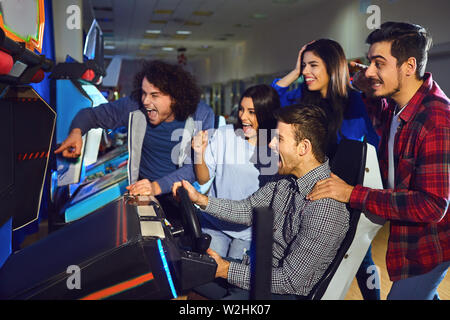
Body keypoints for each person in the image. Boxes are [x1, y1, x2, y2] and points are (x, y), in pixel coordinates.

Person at [307, 22, 450, 300]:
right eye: (369, 62)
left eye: (379, 63)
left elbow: (432, 206)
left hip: (433, 244)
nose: (370, 70)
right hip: (408, 239)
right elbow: (374, 107)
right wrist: (363, 82)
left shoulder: (437, 119)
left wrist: (352, 194)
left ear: (409, 66)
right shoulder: (398, 107)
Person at [173, 104, 350, 299]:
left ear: (303, 147)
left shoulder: (326, 206)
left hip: (284, 292)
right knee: (187, 274)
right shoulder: (285, 178)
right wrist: (200, 199)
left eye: (279, 139)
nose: (271, 144)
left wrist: (226, 270)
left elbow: (289, 281)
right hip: (258, 270)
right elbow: (248, 210)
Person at [272, 39, 381, 299]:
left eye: (313, 65)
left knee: (361, 259)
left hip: (345, 195)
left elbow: (368, 148)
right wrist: (297, 70)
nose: (306, 71)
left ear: (332, 67)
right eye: (304, 65)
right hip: (312, 194)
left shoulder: (355, 102)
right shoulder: (304, 99)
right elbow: (274, 93)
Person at [55, 60, 215, 221]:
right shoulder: (134, 105)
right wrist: (76, 132)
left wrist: (156, 187)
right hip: (142, 188)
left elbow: (196, 168)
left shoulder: (201, 115)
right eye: (144, 93)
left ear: (174, 98)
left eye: (154, 95)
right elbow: (91, 115)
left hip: (181, 194)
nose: (145, 101)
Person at [192, 84, 279, 261]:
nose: (243, 116)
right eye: (241, 109)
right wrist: (198, 153)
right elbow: (203, 180)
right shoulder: (225, 135)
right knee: (210, 270)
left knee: (236, 281)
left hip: (250, 231)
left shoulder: (276, 146)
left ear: (267, 113)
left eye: (252, 112)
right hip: (214, 223)